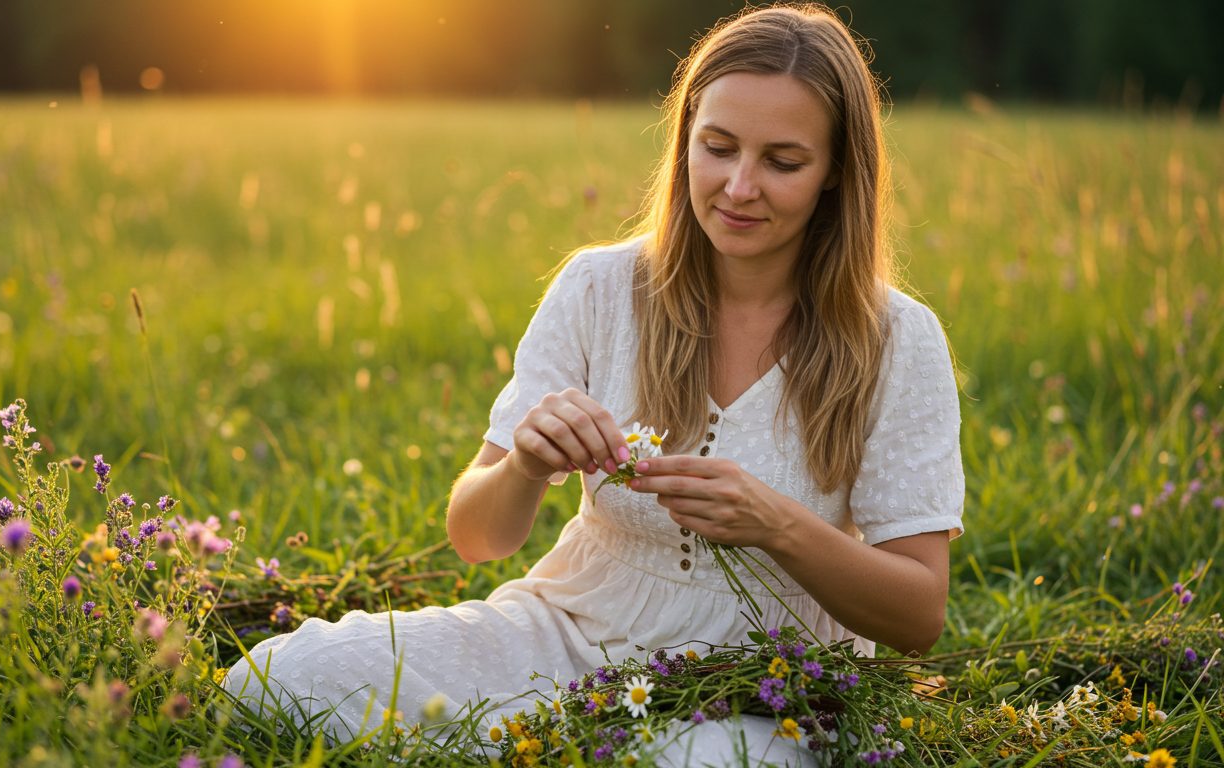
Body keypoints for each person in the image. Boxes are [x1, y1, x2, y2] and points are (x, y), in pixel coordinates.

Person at [224, 4, 964, 765]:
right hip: (571, 631)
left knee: (699, 762)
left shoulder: (895, 339)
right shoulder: (600, 288)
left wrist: (775, 523)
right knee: (278, 678)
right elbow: (477, 537)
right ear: (684, 144)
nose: (739, 187)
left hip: (764, 680)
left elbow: (917, 614)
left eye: (782, 161)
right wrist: (525, 465)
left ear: (837, 170)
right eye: (716, 148)